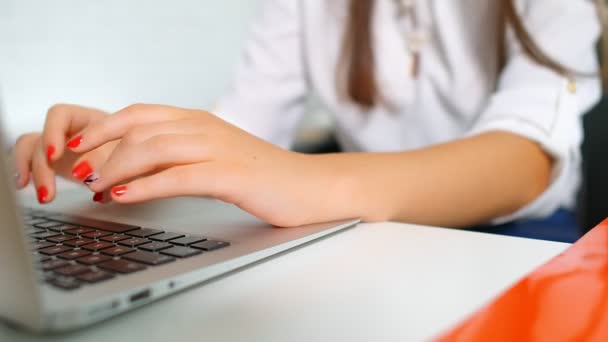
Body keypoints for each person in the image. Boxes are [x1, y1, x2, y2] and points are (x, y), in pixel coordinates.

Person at [13, 0, 604, 233]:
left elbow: (527, 160)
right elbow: (243, 131)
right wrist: (115, 156)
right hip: (370, 227)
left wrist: (301, 179)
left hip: (520, 235)